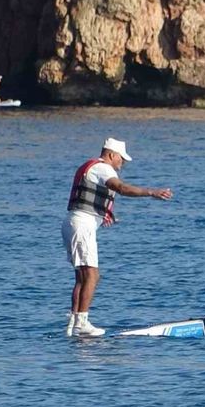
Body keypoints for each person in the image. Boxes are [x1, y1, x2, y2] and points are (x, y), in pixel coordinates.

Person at [62, 138, 173, 337]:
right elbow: (120, 188)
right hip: (81, 224)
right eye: (121, 160)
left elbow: (93, 197)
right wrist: (151, 192)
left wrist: (104, 213)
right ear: (112, 155)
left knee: (82, 276)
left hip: (75, 223)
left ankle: (74, 323)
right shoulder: (104, 168)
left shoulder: (91, 166)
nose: (122, 165)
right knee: (92, 276)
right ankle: (82, 323)